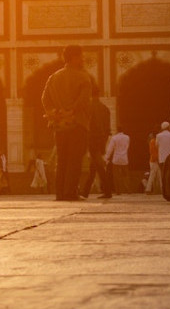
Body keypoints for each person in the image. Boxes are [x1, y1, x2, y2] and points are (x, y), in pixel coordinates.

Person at [42, 45, 95, 201]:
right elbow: (83, 101)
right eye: (81, 56)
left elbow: (45, 99)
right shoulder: (83, 77)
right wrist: (70, 111)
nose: (83, 59)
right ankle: (70, 192)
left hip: (59, 124)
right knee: (75, 160)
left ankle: (60, 193)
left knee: (62, 159)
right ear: (74, 58)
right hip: (77, 123)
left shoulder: (54, 77)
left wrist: (54, 112)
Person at [80, 91, 112, 199]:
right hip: (101, 140)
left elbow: (89, 124)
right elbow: (108, 128)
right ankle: (85, 192)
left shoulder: (91, 107)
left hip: (93, 139)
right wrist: (104, 140)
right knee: (93, 167)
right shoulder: (105, 108)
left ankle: (107, 191)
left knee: (99, 166)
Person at [106, 126, 131, 194]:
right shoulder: (127, 137)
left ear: (117, 130)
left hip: (116, 159)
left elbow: (110, 149)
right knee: (125, 175)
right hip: (124, 158)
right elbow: (127, 147)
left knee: (116, 176)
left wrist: (107, 157)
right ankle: (128, 189)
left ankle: (118, 191)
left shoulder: (114, 138)